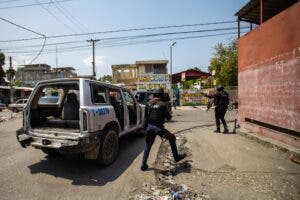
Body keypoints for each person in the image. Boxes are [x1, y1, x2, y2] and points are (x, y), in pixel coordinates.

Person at [141, 88, 186, 171]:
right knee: (172, 138)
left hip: (150, 128)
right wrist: (168, 111)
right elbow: (169, 118)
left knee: (148, 145)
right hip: (159, 129)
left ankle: (143, 165)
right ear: (161, 95)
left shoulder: (148, 104)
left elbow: (146, 118)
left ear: (154, 95)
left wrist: (144, 128)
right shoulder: (162, 104)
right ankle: (176, 157)